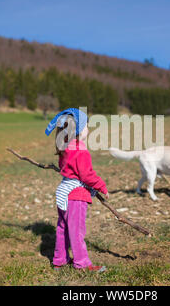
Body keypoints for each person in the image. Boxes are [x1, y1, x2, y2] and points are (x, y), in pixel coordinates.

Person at [45, 108, 109, 272]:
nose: (89, 128)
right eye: (87, 125)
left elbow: (66, 169)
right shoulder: (81, 151)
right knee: (77, 231)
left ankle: (59, 260)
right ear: (79, 129)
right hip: (76, 195)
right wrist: (101, 186)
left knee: (62, 228)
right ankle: (82, 263)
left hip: (63, 193)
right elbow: (86, 175)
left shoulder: (64, 147)